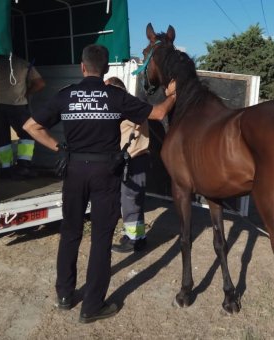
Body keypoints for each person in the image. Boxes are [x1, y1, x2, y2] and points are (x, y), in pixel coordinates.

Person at [23, 44, 176, 323]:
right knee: (101, 239)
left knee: (70, 233)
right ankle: (92, 306)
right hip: (106, 172)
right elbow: (159, 114)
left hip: (74, 169)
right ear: (105, 69)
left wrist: (60, 150)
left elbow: (31, 126)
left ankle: (65, 295)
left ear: (82, 67)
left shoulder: (66, 96)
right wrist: (174, 94)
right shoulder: (115, 96)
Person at [105, 77, 150, 253]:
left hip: (134, 159)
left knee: (130, 200)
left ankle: (133, 241)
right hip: (132, 160)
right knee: (132, 201)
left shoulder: (129, 105)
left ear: (117, 90)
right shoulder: (129, 104)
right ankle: (138, 237)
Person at [0, 54, 46, 179]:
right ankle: (24, 166)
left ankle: (5, 168)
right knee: (27, 134)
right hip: (17, 105)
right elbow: (40, 83)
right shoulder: (23, 63)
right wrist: (27, 93)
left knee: (2, 138)